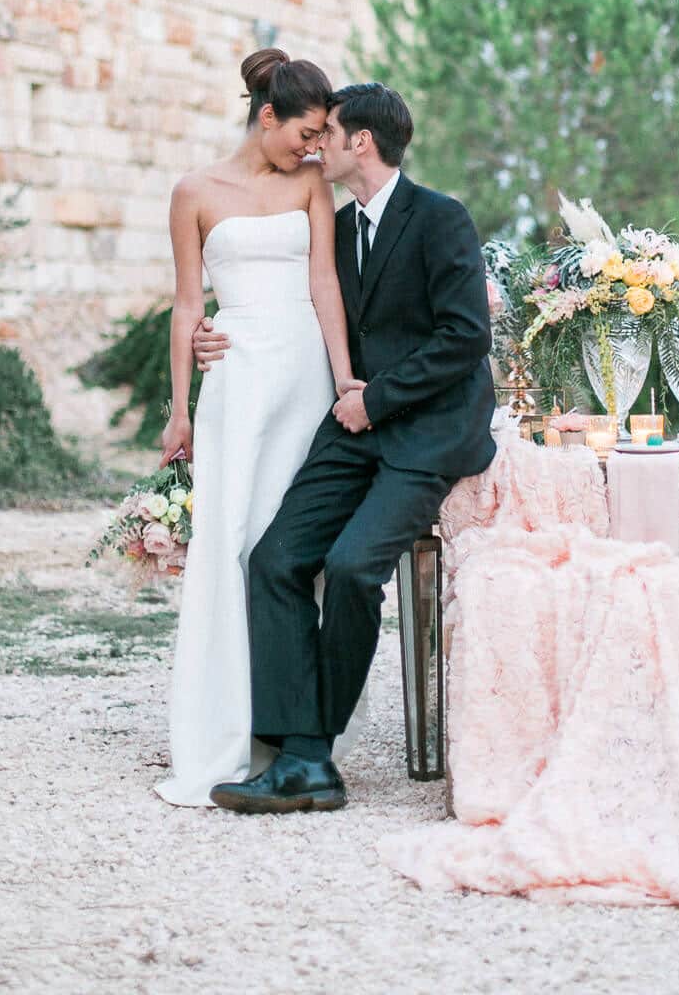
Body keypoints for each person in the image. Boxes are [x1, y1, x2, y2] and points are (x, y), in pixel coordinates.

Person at [192, 82, 495, 814]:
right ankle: (296, 750)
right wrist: (212, 334)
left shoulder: (439, 218)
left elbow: (465, 337)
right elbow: (298, 304)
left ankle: (307, 756)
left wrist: (376, 401)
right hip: (352, 427)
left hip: (425, 434)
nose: (313, 144)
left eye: (326, 132)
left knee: (353, 567)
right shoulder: (333, 223)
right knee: (274, 559)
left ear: (360, 141)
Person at [155, 47, 356, 807]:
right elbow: (185, 305)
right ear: (265, 115)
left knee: (288, 547)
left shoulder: (309, 184)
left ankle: (289, 731)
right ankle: (221, 728)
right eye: (304, 131)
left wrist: (342, 378)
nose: (313, 148)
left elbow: (323, 280)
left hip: (303, 371)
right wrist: (180, 409)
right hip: (236, 378)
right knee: (231, 542)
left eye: (321, 135)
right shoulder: (194, 190)